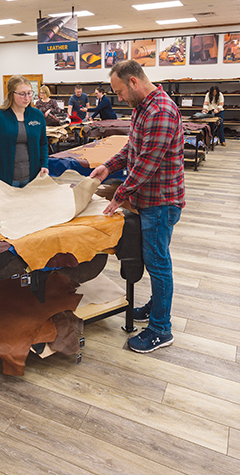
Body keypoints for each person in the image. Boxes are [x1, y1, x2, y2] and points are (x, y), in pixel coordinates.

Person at [90, 60, 185, 353]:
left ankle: (161, 329)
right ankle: (156, 308)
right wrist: (107, 167)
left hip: (160, 201)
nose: (118, 98)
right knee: (155, 259)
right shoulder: (142, 108)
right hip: (149, 200)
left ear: (133, 82)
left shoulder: (160, 111)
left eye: (119, 92)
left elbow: (146, 164)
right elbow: (133, 149)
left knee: (157, 263)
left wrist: (119, 195)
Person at [0, 75, 48, 187]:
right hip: (3, 178)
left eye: (29, 93)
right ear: (11, 94)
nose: (27, 98)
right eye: (22, 94)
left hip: (32, 178)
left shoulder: (37, 115)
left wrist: (44, 164)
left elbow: (43, 144)